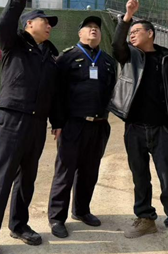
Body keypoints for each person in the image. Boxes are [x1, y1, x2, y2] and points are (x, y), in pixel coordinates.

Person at [0, 0, 60, 254]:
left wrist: (57, 123)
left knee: (27, 178)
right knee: (1, 179)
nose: (49, 26)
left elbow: (54, 94)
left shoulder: (51, 57)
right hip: (12, 120)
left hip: (37, 124)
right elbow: (4, 23)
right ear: (29, 24)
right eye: (44, 21)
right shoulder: (13, 44)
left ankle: (19, 225)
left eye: (51, 24)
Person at [108, 0, 168, 254]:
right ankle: (146, 218)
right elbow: (117, 45)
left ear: (150, 34)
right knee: (140, 177)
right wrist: (127, 17)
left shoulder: (167, 59)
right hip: (134, 128)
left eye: (136, 31)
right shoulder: (129, 56)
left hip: (161, 129)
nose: (132, 35)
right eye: (130, 32)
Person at [47, 16, 117, 238]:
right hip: (73, 124)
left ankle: (81, 210)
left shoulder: (108, 61)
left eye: (97, 28)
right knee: (65, 172)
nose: (94, 30)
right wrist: (57, 123)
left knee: (90, 171)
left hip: (99, 125)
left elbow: (112, 91)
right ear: (80, 33)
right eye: (89, 27)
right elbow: (56, 93)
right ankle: (57, 218)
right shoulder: (67, 58)